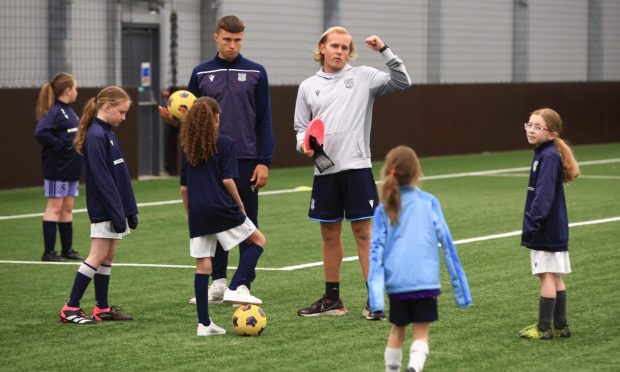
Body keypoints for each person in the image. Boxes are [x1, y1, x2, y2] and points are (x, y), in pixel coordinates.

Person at [293, 26, 411, 319]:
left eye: (345, 48)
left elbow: (403, 82)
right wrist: (303, 145)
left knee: (364, 234)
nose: (340, 52)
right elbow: (300, 129)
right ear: (322, 47)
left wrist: (385, 50)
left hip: (357, 169)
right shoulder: (308, 86)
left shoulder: (363, 77)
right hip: (325, 173)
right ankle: (333, 299)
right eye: (334, 46)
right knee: (329, 235)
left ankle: (374, 300)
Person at [159, 15, 273, 304]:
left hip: (247, 158)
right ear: (216, 38)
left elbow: (265, 120)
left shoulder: (257, 72)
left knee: (247, 220)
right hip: (210, 159)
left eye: (237, 40)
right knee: (216, 223)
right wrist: (173, 123)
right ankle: (219, 284)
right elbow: (191, 120)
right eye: (227, 40)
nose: (232, 45)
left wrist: (264, 161)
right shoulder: (200, 73)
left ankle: (243, 284)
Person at [368, 145, 472, 372]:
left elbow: (375, 254)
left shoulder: (382, 210)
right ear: (417, 172)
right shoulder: (429, 202)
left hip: (397, 285)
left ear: (388, 171)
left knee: (397, 330)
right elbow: (448, 244)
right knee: (421, 332)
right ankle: (414, 367)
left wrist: (375, 300)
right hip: (426, 282)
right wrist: (461, 292)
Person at [179, 97, 266, 336]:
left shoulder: (188, 147)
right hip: (222, 208)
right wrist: (240, 207)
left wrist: (190, 213)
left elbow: (184, 189)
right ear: (216, 118)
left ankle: (204, 324)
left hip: (198, 213)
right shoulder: (225, 143)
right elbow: (228, 180)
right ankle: (237, 287)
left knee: (202, 266)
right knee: (258, 241)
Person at [58, 86, 137, 324]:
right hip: (105, 207)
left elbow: (119, 177)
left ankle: (101, 308)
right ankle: (70, 307)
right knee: (98, 254)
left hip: (115, 207)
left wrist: (129, 210)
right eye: (121, 112)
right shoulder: (96, 135)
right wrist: (116, 212)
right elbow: (102, 179)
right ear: (107, 107)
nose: (123, 117)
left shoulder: (108, 133)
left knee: (108, 255)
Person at [518, 108, 580, 340]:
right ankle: (560, 325)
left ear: (552, 134)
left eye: (538, 127)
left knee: (546, 275)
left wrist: (533, 224)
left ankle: (544, 328)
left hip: (545, 228)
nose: (531, 130)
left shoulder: (549, 156)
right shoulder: (546, 153)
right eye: (529, 125)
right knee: (554, 275)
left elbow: (543, 197)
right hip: (554, 227)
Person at [34, 72, 84, 262]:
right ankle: (49, 253)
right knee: (54, 208)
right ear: (68, 90)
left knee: (67, 208)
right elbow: (40, 133)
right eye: (76, 88)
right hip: (57, 168)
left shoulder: (69, 110)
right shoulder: (55, 111)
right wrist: (61, 146)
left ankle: (67, 250)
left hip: (71, 168)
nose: (77, 92)